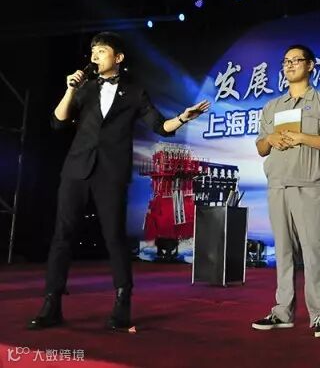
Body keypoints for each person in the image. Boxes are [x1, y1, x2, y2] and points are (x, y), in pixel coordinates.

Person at [28, 31, 210, 331]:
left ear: (118, 57)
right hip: (76, 169)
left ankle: (122, 302)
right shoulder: (84, 88)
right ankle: (52, 303)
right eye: (93, 51)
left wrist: (183, 118)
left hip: (111, 173)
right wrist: (70, 90)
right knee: (63, 235)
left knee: (114, 236)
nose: (95, 56)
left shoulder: (134, 92)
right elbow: (58, 122)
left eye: (102, 50)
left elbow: (160, 126)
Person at [251, 44, 320, 339]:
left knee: (315, 251)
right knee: (283, 252)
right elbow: (261, 148)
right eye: (286, 61)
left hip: (309, 184)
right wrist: (271, 139)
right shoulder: (272, 106)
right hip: (277, 185)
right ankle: (282, 312)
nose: (290, 65)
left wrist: (303, 137)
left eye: (296, 60)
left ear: (311, 65)